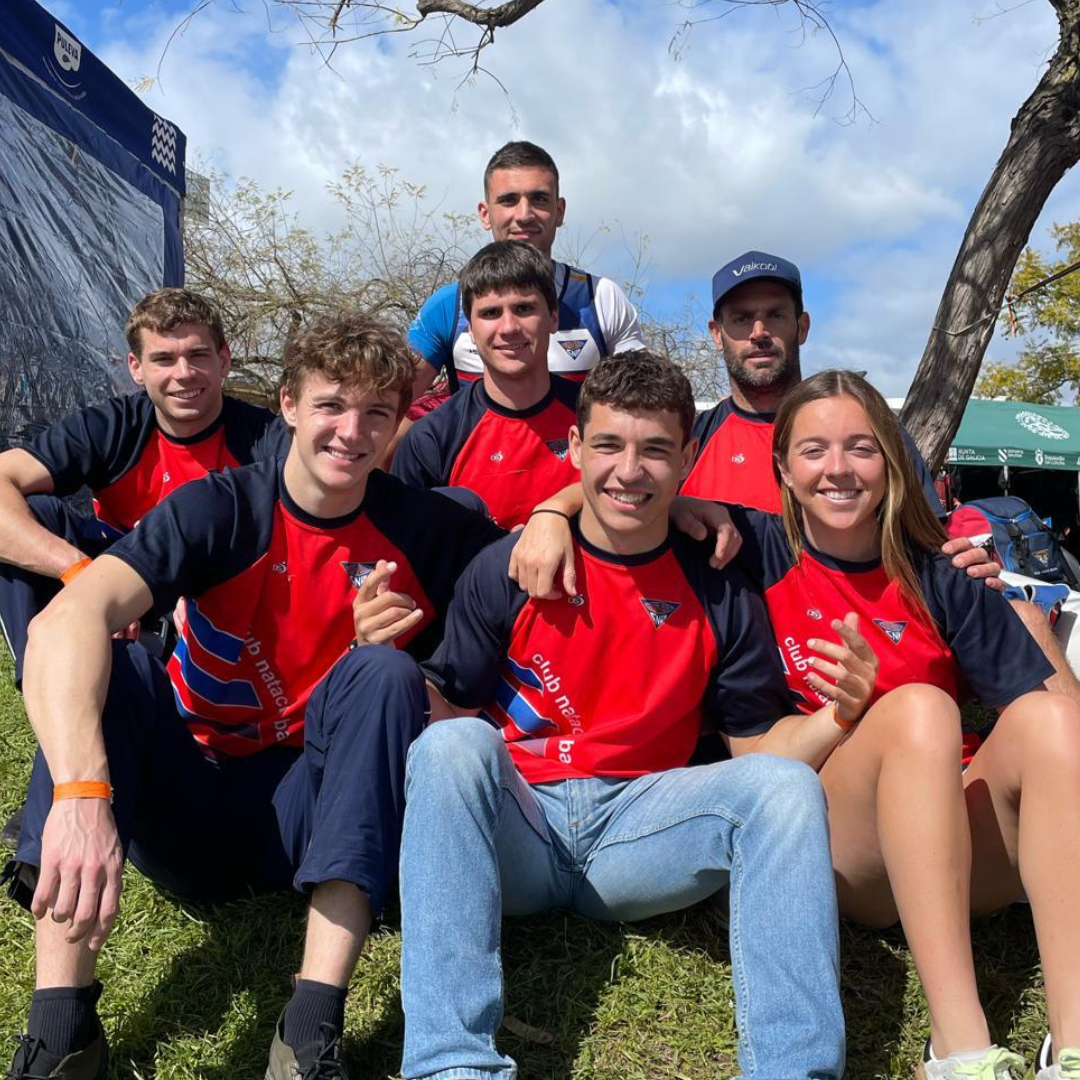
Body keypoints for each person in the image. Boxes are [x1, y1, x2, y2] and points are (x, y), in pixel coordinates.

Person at [2, 313, 502, 1080]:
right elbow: (68, 620)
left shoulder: (426, 526)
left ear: (399, 424)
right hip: (190, 799)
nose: (352, 432)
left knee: (384, 672)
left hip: (313, 811)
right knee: (118, 666)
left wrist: (556, 516)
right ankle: (62, 1034)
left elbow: (538, 575)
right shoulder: (222, 506)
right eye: (332, 405)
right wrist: (79, 794)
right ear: (289, 406)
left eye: (376, 412)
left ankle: (309, 1030)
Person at [397, 352, 875, 1080]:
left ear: (687, 457)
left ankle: (792, 1069)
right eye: (609, 445)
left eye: (655, 449)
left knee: (785, 787)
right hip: (518, 826)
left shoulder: (719, 587)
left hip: (639, 830)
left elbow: (757, 752)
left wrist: (839, 715)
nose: (629, 470)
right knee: (450, 745)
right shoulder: (510, 566)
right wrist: (378, 659)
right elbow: (451, 711)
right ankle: (452, 1065)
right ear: (575, 448)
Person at [728, 369, 1080, 1080]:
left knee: (1049, 719)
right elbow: (627, 491)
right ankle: (958, 1046)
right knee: (920, 707)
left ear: (891, 462)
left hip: (957, 855)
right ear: (783, 470)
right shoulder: (747, 553)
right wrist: (555, 511)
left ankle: (1072, 1040)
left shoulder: (943, 573)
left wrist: (1030, 624)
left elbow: (1063, 727)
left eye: (861, 448)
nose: (838, 468)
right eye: (814, 450)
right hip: (846, 853)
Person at [679, 250, 1080, 703]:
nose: (759, 332)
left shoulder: (877, 431)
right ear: (716, 333)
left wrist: (969, 568)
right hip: (754, 655)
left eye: (775, 315)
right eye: (741, 319)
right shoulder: (692, 444)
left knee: (1026, 619)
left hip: (886, 643)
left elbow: (929, 543)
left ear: (802, 326)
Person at [0, 288, 284, 685]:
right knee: (34, 513)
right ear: (136, 367)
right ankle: (46, 683)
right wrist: (82, 574)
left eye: (198, 355)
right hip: (119, 578)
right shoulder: (113, 426)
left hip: (216, 595)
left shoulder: (266, 438)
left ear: (224, 360)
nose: (183, 373)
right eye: (164, 359)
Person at [403, 141, 643, 416]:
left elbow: (645, 408)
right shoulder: (448, 305)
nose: (524, 214)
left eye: (539, 199)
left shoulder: (601, 298)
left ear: (559, 211)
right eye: (509, 200)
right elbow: (388, 403)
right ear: (485, 214)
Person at [391, 240, 581, 527]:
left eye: (524, 308)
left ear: (553, 318)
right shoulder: (432, 440)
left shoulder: (594, 419)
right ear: (470, 327)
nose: (509, 328)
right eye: (490, 313)